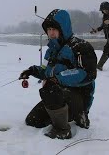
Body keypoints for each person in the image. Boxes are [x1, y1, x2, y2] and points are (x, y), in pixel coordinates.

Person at [19, 9, 97, 139]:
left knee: (50, 88)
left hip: (79, 98)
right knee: (33, 121)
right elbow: (45, 71)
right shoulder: (50, 51)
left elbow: (88, 73)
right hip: (59, 95)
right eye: (49, 29)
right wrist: (31, 71)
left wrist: (57, 79)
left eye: (54, 29)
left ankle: (65, 128)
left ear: (63, 28)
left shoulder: (80, 47)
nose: (51, 33)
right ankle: (61, 116)